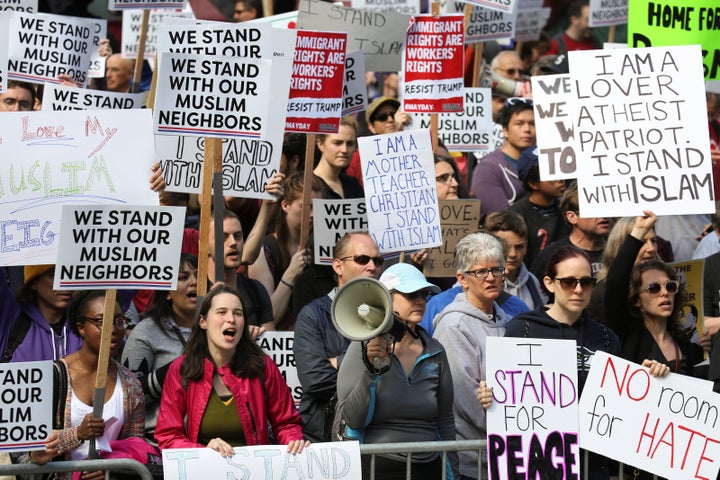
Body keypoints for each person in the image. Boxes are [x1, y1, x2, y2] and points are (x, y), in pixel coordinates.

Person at [479, 246, 673, 480]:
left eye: (586, 282)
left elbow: (619, 407)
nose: (578, 289)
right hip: (539, 467)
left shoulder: (606, 337)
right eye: (569, 282)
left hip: (593, 467)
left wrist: (651, 379)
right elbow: (507, 399)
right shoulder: (522, 329)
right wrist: (491, 397)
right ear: (550, 283)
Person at [336, 263, 457, 479]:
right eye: (411, 294)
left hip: (429, 468)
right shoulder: (362, 348)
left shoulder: (436, 351)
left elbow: (445, 419)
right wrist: (371, 370)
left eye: (424, 294)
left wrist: (452, 473)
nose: (420, 300)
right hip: (379, 467)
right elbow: (354, 418)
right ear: (386, 298)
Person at [155, 285, 308, 454]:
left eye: (238, 313)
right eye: (221, 312)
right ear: (203, 322)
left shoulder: (263, 366)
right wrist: (204, 451)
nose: (231, 319)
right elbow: (168, 436)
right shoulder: (181, 369)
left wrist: (293, 440)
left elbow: (286, 423)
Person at [23, 290, 155, 480]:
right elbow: (33, 455)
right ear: (81, 327)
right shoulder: (52, 377)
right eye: (101, 322)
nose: (113, 329)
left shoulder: (131, 384)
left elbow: (135, 448)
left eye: (119, 321)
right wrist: (78, 433)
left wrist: (111, 471)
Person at [432, 233, 511, 480]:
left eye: (496, 270)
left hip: (508, 457)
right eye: (480, 272)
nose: (490, 277)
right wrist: (515, 430)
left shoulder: (509, 321)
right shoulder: (454, 326)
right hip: (472, 462)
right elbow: (465, 400)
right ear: (462, 279)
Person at [294, 232, 383, 442]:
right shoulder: (312, 315)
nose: (372, 266)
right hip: (324, 434)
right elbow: (314, 380)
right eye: (362, 259)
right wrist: (365, 373)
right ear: (338, 266)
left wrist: (340, 363)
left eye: (377, 260)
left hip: (374, 436)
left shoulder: (386, 314)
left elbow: (394, 377)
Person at [603, 212, 703, 378]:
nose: (664, 293)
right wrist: (639, 231)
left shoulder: (682, 341)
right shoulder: (626, 333)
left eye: (670, 287)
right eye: (654, 288)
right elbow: (615, 283)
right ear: (637, 300)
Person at [121, 254, 199, 445]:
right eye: (183, 277)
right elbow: (129, 397)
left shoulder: (216, 328)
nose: (194, 282)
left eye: (199, 275)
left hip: (210, 444)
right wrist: (178, 367)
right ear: (167, 292)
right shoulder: (146, 332)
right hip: (161, 446)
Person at [249, 173, 322, 330]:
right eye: (306, 207)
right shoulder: (265, 251)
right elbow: (267, 320)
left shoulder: (320, 250)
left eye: (318, 207)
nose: (313, 215)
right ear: (285, 206)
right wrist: (290, 274)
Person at [207, 210, 274, 330]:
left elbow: (269, 343)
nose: (233, 243)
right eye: (223, 237)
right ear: (204, 246)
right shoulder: (194, 291)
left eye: (237, 236)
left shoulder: (256, 290)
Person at [530, 181, 610, 279]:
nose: (604, 214)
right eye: (593, 209)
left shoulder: (619, 251)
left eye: (607, 207)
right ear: (572, 217)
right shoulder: (550, 256)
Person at [471, 98, 535, 217]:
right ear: (505, 130)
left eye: (532, 124)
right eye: (519, 124)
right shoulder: (488, 168)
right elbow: (503, 219)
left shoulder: (545, 163)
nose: (527, 129)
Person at [508, 145, 569, 268]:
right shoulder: (515, 216)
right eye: (552, 174)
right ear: (533, 183)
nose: (560, 180)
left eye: (561, 171)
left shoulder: (567, 210)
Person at [483, 210, 546, 309]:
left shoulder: (532, 282)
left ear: (526, 246)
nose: (513, 254)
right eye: (504, 247)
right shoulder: (476, 282)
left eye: (519, 247)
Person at [313, 116, 364, 200]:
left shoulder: (353, 185)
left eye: (350, 144)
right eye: (337, 143)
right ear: (320, 144)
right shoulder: (305, 186)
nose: (344, 150)